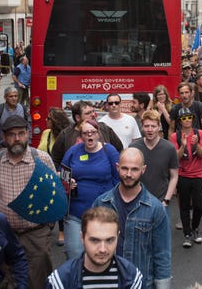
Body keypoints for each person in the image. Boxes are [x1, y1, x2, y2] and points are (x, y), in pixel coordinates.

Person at [0, 115, 57, 289]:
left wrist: (47, 227)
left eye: (21, 134)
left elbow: (53, 194)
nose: (17, 139)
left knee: (38, 281)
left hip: (36, 235)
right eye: (12, 134)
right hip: (5, 235)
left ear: (28, 134)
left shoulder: (42, 159)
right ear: (3, 137)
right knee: (8, 281)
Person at [92, 148, 172, 289]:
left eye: (134, 169)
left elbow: (162, 254)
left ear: (143, 169)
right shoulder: (101, 203)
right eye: (124, 168)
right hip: (106, 282)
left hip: (141, 284)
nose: (129, 174)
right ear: (117, 168)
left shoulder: (155, 209)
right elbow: (90, 246)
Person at [61, 119, 120, 259]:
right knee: (74, 254)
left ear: (98, 133)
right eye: (85, 133)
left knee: (103, 255)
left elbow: (118, 178)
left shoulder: (109, 151)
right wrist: (68, 182)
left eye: (92, 132)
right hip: (76, 212)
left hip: (104, 213)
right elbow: (62, 173)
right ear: (80, 136)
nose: (89, 136)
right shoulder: (73, 151)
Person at [46, 207, 143, 289]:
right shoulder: (60, 281)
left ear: (118, 237)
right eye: (95, 240)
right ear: (82, 238)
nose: (102, 249)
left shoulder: (132, 277)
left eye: (109, 240)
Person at [170, 108, 202, 248]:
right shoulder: (175, 136)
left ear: (192, 119)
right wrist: (183, 145)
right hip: (183, 174)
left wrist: (196, 144)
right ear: (180, 121)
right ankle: (187, 234)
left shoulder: (200, 133)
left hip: (199, 174)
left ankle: (195, 228)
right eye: (184, 118)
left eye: (189, 117)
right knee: (184, 205)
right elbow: (176, 157)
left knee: (198, 205)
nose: (187, 120)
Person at [51, 100, 123, 169]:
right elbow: (55, 160)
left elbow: (119, 150)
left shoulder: (104, 129)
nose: (93, 115)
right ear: (78, 118)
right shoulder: (66, 134)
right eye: (88, 113)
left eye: (93, 111)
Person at [129, 110, 179, 203]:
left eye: (153, 126)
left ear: (159, 127)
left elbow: (174, 176)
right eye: (146, 126)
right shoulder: (134, 147)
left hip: (161, 201)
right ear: (142, 127)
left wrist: (166, 200)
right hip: (137, 200)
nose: (150, 129)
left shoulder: (169, 148)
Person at [37, 107, 70, 246]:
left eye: (49, 118)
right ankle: (48, 223)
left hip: (60, 172)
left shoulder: (65, 135)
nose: (46, 120)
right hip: (46, 171)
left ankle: (61, 230)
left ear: (55, 121)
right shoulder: (45, 133)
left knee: (60, 200)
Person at [0, 86, 27, 156]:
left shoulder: (22, 109)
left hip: (19, 147)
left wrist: (27, 144)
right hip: (2, 148)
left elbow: (28, 127)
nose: (14, 99)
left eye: (16, 96)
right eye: (11, 96)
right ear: (5, 98)